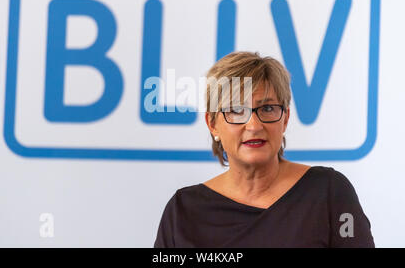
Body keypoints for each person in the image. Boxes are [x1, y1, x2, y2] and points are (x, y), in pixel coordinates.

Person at [154, 51, 375, 248]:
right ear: (212, 123)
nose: (254, 125)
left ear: (285, 119)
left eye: (268, 108)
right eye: (236, 110)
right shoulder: (183, 211)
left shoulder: (330, 192)